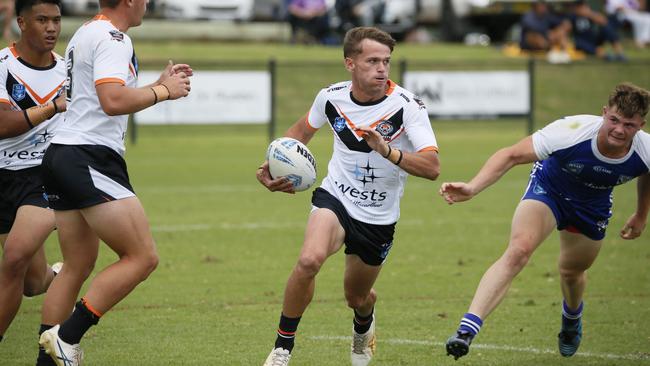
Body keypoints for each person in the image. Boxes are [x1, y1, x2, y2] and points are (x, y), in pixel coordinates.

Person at [257, 26, 440, 366]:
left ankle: (364, 325)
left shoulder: (407, 107)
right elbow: (299, 133)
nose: (382, 69)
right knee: (309, 260)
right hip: (336, 197)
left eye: (386, 61)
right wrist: (273, 165)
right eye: (372, 61)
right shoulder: (331, 97)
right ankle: (283, 348)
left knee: (356, 297)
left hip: (378, 216)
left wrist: (388, 151)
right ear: (350, 63)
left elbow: (432, 167)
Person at [441, 83, 649, 360]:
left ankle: (572, 319)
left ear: (641, 125)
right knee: (519, 251)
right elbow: (510, 155)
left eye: (629, 125)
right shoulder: (571, 132)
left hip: (592, 206)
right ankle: (467, 330)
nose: (620, 130)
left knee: (571, 273)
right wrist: (473, 187)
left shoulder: (645, 148)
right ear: (604, 113)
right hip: (549, 190)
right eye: (614, 120)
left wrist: (641, 214)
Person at [35, 0, 192, 365]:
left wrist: (156, 84)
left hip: (62, 153)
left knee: (76, 266)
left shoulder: (87, 32)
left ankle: (46, 360)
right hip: (88, 157)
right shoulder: (114, 37)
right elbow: (111, 100)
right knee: (142, 257)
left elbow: (99, 97)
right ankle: (67, 338)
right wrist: (166, 91)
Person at [0, 0, 66, 345]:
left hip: (46, 174)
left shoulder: (69, 70)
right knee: (30, 282)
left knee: (13, 258)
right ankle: (63, 275)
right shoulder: (2, 64)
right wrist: (53, 107)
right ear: (22, 23)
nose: (51, 27)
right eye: (42, 20)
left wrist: (156, 90)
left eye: (56, 19)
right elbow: (3, 123)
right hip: (4, 175)